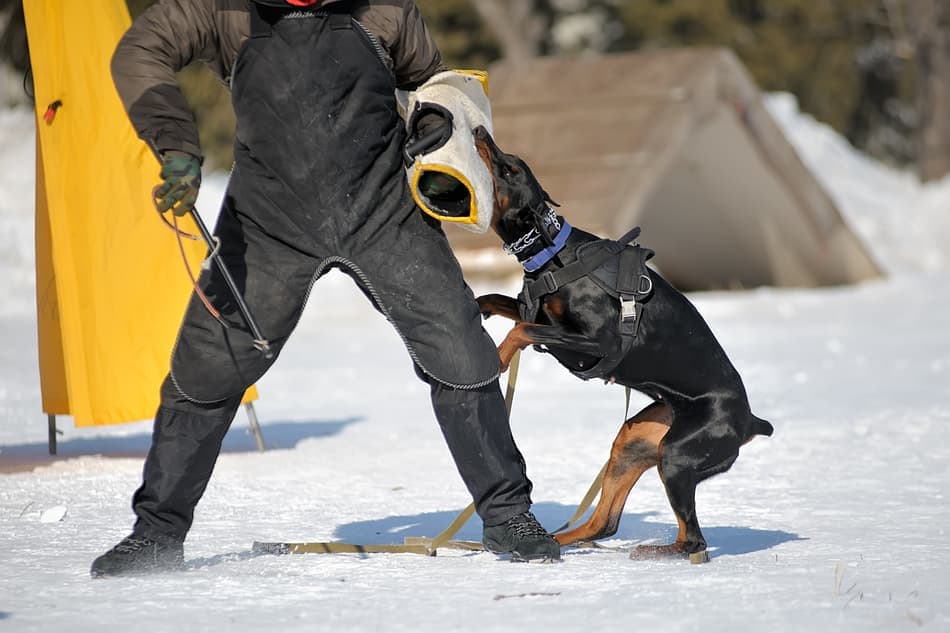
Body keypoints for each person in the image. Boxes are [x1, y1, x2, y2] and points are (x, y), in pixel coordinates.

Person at [91, 0, 560, 577]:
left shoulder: (384, 9)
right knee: (207, 365)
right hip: (268, 220)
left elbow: (437, 82)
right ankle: (156, 534)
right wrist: (176, 146)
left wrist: (436, 121)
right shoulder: (221, 10)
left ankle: (509, 516)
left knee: (461, 353)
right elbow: (142, 49)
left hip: (384, 210)